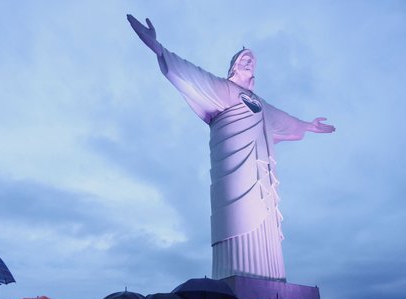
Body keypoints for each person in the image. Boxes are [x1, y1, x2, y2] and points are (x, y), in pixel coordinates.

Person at [127, 15, 335, 282]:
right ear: (234, 66)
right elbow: (188, 73)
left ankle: (272, 281)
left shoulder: (259, 102)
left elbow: (283, 119)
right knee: (236, 235)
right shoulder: (223, 89)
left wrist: (307, 125)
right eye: (244, 59)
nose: (249, 61)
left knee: (266, 235)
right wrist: (157, 47)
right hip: (233, 179)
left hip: (262, 182)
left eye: (253, 60)